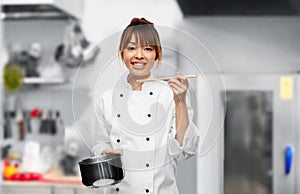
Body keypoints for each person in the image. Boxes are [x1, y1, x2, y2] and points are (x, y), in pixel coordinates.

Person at [92, 17, 200, 194]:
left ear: (157, 55)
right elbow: (99, 144)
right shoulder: (106, 100)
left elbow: (184, 150)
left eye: (148, 48)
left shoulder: (171, 95)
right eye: (131, 48)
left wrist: (180, 101)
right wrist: (104, 151)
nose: (139, 55)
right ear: (122, 53)